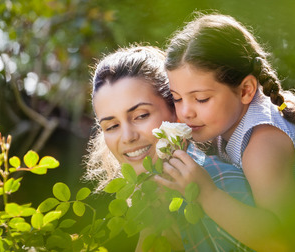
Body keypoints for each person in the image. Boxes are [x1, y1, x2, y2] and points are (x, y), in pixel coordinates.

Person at [155, 12, 295, 252]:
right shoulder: (239, 121)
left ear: (246, 89)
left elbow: (286, 244)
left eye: (201, 99)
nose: (186, 112)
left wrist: (206, 194)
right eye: (177, 98)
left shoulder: (262, 144)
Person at [83, 45, 256, 252]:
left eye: (141, 116)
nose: (128, 137)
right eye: (112, 126)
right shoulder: (147, 203)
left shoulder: (219, 183)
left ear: (175, 112)